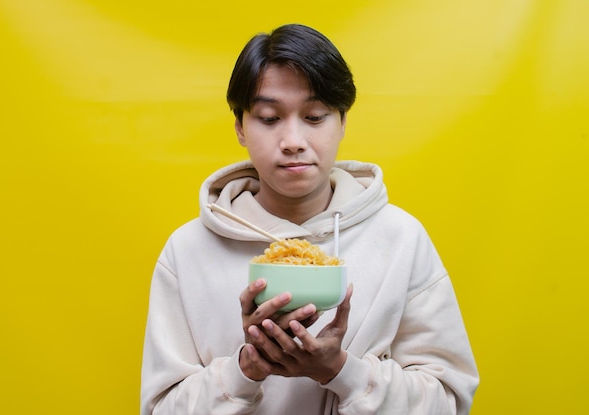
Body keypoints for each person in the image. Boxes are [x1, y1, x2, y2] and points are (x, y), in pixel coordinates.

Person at [140, 23, 479, 414]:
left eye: (315, 116)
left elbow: (448, 403)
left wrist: (340, 370)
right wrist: (246, 368)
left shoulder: (400, 238)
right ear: (240, 127)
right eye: (269, 118)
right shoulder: (187, 251)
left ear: (343, 122)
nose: (293, 140)